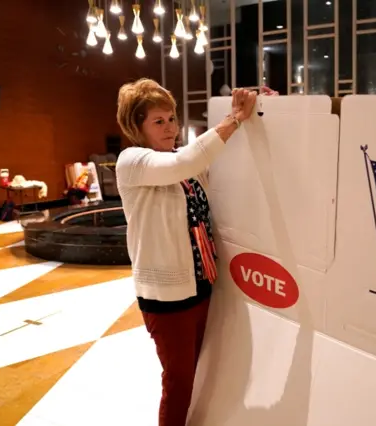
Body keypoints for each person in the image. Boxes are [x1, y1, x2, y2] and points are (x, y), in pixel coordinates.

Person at [115, 78, 277, 426]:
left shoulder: (180, 161)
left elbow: (206, 160)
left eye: (172, 118)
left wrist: (269, 112)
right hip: (166, 294)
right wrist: (233, 118)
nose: (170, 128)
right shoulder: (132, 162)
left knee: (194, 370)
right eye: (158, 121)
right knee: (178, 380)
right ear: (136, 126)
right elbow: (187, 162)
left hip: (200, 284)